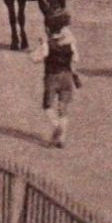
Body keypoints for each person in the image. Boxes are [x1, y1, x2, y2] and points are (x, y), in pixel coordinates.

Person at [32, 8, 82, 148]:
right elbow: (76, 58)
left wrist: (42, 44)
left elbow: (35, 58)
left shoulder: (48, 44)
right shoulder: (70, 43)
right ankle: (61, 139)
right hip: (67, 76)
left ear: (48, 28)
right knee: (63, 107)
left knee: (47, 106)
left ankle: (56, 126)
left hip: (52, 76)